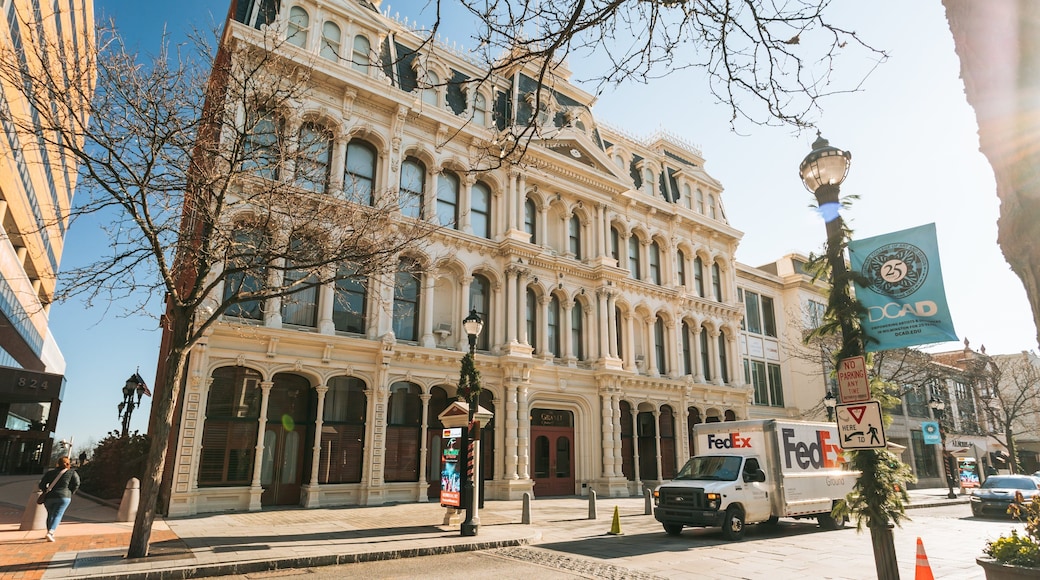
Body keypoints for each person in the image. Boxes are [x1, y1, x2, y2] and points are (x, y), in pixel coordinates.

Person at [37, 456, 80, 542]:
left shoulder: (50, 473)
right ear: (68, 464)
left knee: (50, 514)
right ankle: (50, 532)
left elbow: (41, 484)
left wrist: (46, 490)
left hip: (49, 496)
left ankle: (49, 531)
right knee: (58, 514)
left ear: (58, 463)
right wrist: (70, 492)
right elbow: (76, 483)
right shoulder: (72, 473)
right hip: (64, 496)